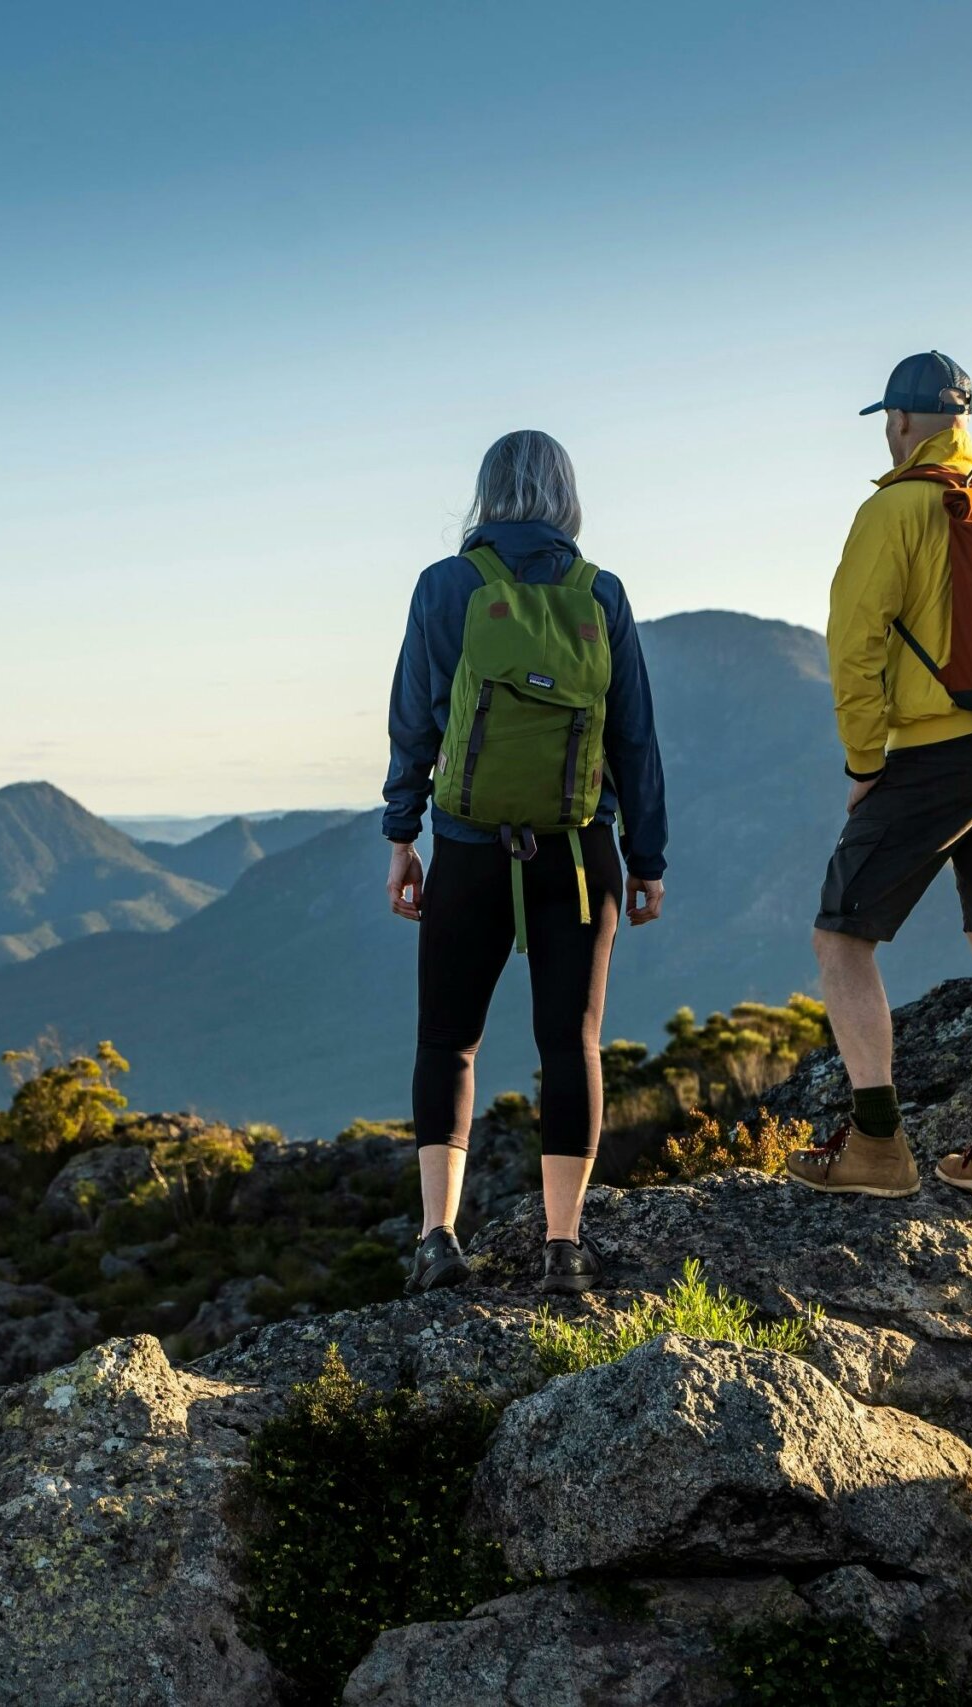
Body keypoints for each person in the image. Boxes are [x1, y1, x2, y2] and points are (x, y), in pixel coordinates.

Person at [382, 429, 668, 1294]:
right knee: (569, 1042)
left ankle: (438, 1238)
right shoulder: (600, 593)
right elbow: (635, 738)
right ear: (566, 498)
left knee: (449, 1039)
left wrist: (403, 835)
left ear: (485, 496)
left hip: (469, 850)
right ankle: (564, 1245)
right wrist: (647, 856)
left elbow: (415, 724)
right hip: (580, 857)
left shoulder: (446, 587)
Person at [783, 351, 972, 1206]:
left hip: (939, 752)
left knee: (841, 936)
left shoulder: (894, 509)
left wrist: (865, 764)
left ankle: (875, 1144)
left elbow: (853, 651)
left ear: (899, 423)